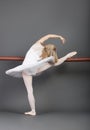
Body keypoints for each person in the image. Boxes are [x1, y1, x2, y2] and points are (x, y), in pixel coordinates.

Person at [6, 34, 77, 116]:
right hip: (35, 70)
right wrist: (67, 56)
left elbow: (48, 36)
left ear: (45, 46)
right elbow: (57, 63)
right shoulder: (46, 58)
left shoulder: (37, 44)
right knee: (52, 63)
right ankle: (33, 111)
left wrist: (59, 37)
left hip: (26, 71)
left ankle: (33, 111)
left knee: (30, 91)